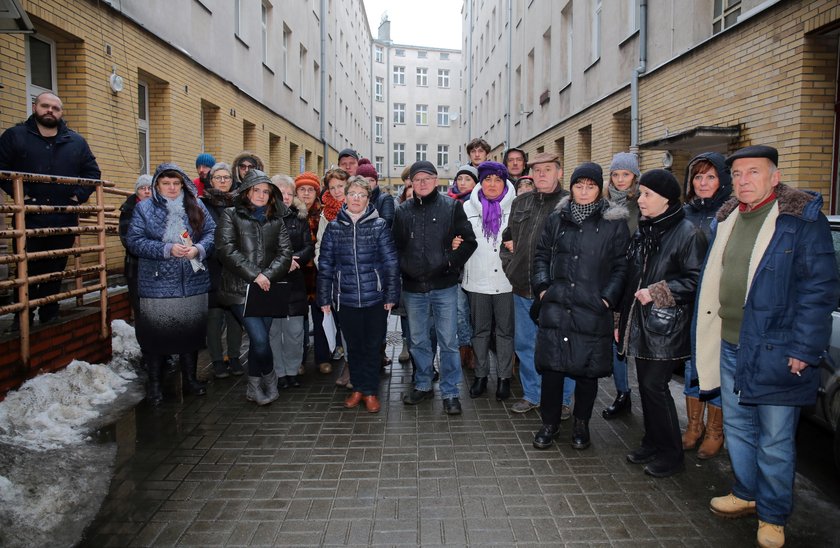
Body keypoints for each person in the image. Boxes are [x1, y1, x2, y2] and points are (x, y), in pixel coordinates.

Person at [694, 146, 839, 548]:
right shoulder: (729, 217)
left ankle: (773, 515)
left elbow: (819, 291)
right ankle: (745, 493)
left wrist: (806, 349)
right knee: (739, 426)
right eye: (737, 174)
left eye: (752, 172)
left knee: (775, 437)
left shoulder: (800, 222)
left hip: (777, 347)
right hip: (730, 342)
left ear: (774, 177)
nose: (743, 180)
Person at [531, 163, 629, 450]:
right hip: (557, 304)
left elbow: (622, 266)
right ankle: (549, 424)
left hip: (592, 307)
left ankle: (581, 424)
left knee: (586, 371)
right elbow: (540, 254)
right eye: (578, 185)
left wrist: (607, 299)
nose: (584, 192)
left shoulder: (614, 223)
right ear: (571, 188)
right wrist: (543, 288)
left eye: (590, 186)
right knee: (553, 369)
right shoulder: (557, 218)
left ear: (600, 190)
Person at [618, 169, 707, 478]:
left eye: (646, 194)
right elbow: (632, 276)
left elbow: (696, 280)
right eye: (641, 194)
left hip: (665, 325)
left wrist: (657, 292)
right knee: (646, 386)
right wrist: (620, 317)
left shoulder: (687, 233)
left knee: (655, 387)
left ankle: (671, 454)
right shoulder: (648, 228)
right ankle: (652, 441)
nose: (640, 199)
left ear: (666, 200)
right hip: (643, 322)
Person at [0, 91, 100, 328]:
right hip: (29, 218)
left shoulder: (75, 141)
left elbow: (92, 173)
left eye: (55, 108)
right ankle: (22, 314)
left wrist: (77, 197)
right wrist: (19, 194)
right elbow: (1, 167)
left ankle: (49, 312)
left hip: (63, 217)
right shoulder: (16, 136)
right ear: (35, 107)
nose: (50, 111)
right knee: (27, 266)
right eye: (45, 106)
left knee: (56, 266)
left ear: (61, 113)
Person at [126, 163, 215, 405]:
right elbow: (134, 241)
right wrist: (166, 249)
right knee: (156, 338)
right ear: (157, 185)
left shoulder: (197, 206)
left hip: (192, 282)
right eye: (166, 183)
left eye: (176, 183)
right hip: (157, 284)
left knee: (191, 335)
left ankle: (190, 380)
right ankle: (155, 386)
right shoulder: (144, 209)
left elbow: (211, 234)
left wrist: (198, 248)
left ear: (183, 184)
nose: (172, 188)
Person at [393, 160, 477, 415]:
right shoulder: (403, 211)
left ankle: (451, 392)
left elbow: (469, 242)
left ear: (436, 181)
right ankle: (423, 384)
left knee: (448, 342)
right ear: (411, 183)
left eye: (427, 179)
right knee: (418, 340)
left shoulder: (452, 207)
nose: (422, 183)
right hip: (413, 288)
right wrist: (404, 267)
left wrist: (449, 262)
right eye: (417, 179)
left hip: (444, 286)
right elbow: (394, 247)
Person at [317, 176, 400, 413]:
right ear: (345, 196)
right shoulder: (334, 227)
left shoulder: (379, 225)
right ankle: (358, 389)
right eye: (352, 193)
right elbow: (326, 264)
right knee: (353, 347)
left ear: (368, 199)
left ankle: (371, 391)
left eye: (361, 195)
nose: (356, 198)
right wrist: (324, 298)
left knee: (373, 346)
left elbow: (391, 262)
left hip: (374, 298)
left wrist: (391, 295)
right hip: (346, 298)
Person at [216, 169, 293, 406]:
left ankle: (253, 387)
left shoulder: (276, 220)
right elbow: (225, 250)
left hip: (267, 289)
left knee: (262, 341)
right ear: (247, 192)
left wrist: (266, 276)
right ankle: (269, 379)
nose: (261, 195)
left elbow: (285, 253)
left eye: (265, 192)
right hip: (239, 290)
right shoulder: (230, 215)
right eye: (256, 190)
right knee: (259, 340)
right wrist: (255, 275)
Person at [500, 152, 569, 415]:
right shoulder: (521, 203)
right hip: (521, 289)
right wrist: (510, 265)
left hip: (555, 292)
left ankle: (562, 399)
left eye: (548, 169)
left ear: (559, 172)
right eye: (537, 170)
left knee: (559, 345)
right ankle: (533, 393)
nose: (541, 174)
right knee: (525, 344)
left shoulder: (569, 204)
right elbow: (507, 240)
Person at [680, 152, 732, 459]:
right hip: (688, 303)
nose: (702, 182)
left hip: (717, 305)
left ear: (722, 181)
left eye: (710, 177)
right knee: (691, 366)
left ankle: (715, 432)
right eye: (698, 177)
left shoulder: (729, 214)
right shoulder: (684, 213)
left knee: (714, 368)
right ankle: (693, 427)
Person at [462, 161, 516, 400]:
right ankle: (481, 376)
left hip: (506, 282)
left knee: (505, 332)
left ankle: (504, 377)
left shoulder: (516, 209)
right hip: (477, 280)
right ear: (480, 182)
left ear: (504, 183)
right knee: (480, 331)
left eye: (497, 180)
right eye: (487, 180)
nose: (492, 185)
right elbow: (458, 237)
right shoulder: (466, 208)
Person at [602, 152, 641, 420]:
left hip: (635, 281)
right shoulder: (603, 204)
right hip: (607, 278)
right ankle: (622, 392)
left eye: (625, 174)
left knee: (629, 340)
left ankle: (634, 393)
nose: (620, 180)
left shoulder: (642, 203)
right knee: (615, 340)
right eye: (616, 175)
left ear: (634, 177)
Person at [269, 175, 314, 389]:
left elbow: (309, 247)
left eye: (289, 193)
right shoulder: (264, 218)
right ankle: (279, 373)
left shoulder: (300, 218)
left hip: (295, 281)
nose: (286, 197)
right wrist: (282, 263)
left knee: (295, 332)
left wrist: (294, 260)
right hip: (272, 282)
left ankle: (293, 370)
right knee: (274, 332)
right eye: (281, 193)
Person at [200, 162, 244, 379]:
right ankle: (217, 360)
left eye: (227, 177)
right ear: (211, 180)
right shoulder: (202, 205)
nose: (223, 181)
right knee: (215, 316)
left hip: (236, 267)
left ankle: (235, 357)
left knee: (235, 316)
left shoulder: (241, 203)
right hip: (213, 266)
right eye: (218, 177)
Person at [296, 172, 337, 381]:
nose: (306, 193)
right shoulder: (292, 213)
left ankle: (323, 358)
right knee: (299, 321)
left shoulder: (323, 214)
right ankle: (300, 359)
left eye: (310, 189)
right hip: (298, 276)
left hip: (319, 275)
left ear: (316, 192)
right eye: (302, 189)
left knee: (322, 318)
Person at [448, 164, 480, 370]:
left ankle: (477, 350)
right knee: (460, 311)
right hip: (458, 269)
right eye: (460, 179)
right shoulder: (449, 204)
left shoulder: (480, 203)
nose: (462, 183)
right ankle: (464, 349)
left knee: (477, 312)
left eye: (467, 179)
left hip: (478, 265)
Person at [119, 174, 152, 318]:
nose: (146, 191)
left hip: (158, 268)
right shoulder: (128, 209)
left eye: (150, 188)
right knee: (139, 308)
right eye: (142, 188)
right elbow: (128, 240)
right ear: (136, 191)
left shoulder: (162, 207)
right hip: (135, 266)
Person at [357, 158, 395, 228]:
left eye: (372, 180)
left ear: (376, 182)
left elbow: (386, 224)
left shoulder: (385, 199)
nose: (368, 184)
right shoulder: (354, 198)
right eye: (364, 180)